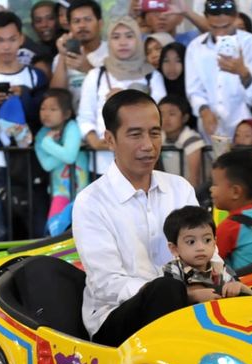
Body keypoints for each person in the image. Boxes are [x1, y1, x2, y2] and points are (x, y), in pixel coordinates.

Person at [73, 90, 195, 346]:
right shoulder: (91, 202)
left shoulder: (180, 188)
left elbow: (206, 250)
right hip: (114, 317)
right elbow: (107, 283)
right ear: (110, 140)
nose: (148, 145)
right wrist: (175, 292)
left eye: (154, 132)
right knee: (166, 289)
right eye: (135, 134)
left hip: (187, 302)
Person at [0, 11, 49, 240]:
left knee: (38, 226)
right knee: (0, 230)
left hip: (32, 161)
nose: (6, 46)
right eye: (0, 40)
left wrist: (24, 96)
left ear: (21, 39)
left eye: (11, 39)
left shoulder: (35, 77)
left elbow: (42, 119)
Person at [77, 16, 164, 175]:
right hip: (103, 163)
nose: (123, 42)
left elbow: (160, 115)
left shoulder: (152, 76)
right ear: (109, 41)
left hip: (143, 160)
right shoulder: (96, 76)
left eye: (129, 36)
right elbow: (85, 116)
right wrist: (94, 141)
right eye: (116, 37)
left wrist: (124, 99)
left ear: (138, 39)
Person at [185, 0, 252, 142]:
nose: (220, 32)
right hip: (210, 126)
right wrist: (203, 110)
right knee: (215, 163)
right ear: (206, 18)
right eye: (214, 27)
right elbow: (194, 90)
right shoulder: (195, 47)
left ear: (236, 17)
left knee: (241, 163)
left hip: (243, 127)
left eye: (226, 26)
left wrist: (243, 74)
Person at [162, 206, 252, 297]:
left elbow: (249, 294)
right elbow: (170, 299)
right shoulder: (174, 269)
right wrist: (193, 296)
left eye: (207, 240)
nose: (201, 247)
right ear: (174, 248)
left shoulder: (220, 268)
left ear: (214, 243)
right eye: (191, 242)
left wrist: (238, 287)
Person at [210, 150, 252, 269]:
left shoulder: (231, 226)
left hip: (247, 284)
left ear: (235, 192)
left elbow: (209, 260)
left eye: (215, 184)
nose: (211, 189)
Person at [35, 88, 89, 230]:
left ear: (66, 114)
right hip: (59, 191)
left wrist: (48, 144)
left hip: (83, 190)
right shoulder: (41, 134)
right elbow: (46, 165)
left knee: (83, 229)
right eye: (43, 108)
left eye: (53, 109)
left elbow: (70, 156)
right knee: (55, 228)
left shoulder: (71, 127)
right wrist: (62, 150)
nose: (46, 113)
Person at [51, 0, 109, 110]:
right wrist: (63, 56)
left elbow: (118, 90)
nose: (82, 25)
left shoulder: (112, 52)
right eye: (76, 21)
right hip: (75, 122)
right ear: (69, 27)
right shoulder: (60, 58)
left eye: (88, 20)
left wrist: (87, 69)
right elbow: (55, 98)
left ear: (100, 23)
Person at [159, 94, 206, 185]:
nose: (166, 119)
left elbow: (194, 178)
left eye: (172, 114)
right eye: (161, 114)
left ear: (185, 118)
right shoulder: (159, 137)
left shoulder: (192, 139)